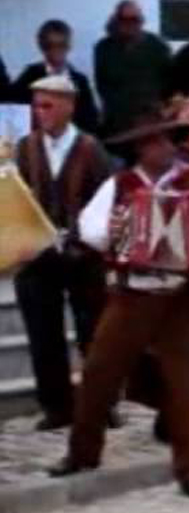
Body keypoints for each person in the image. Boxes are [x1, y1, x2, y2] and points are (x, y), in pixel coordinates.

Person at [49, 110, 189, 499]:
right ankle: (82, 452)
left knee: (185, 382)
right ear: (140, 148)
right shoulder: (120, 185)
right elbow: (90, 229)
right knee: (99, 370)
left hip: (182, 294)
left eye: (169, 140)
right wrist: (116, 230)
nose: (165, 148)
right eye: (156, 141)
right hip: (132, 291)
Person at [12, 76, 114, 431]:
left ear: (69, 105)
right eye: (37, 105)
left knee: (94, 334)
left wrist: (89, 239)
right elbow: (16, 197)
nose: (41, 113)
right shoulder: (25, 147)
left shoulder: (91, 148)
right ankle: (56, 406)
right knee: (43, 335)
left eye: (48, 105)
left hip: (83, 256)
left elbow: (107, 201)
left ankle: (103, 403)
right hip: (38, 255)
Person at [94, 0, 173, 138]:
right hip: (117, 124)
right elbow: (102, 87)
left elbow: (170, 85)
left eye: (134, 19)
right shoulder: (103, 49)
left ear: (141, 21)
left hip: (151, 123)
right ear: (117, 20)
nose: (129, 24)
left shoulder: (158, 47)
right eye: (124, 19)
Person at [12, 20, 100, 134]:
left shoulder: (80, 81)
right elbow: (13, 113)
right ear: (41, 47)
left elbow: (90, 121)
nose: (56, 50)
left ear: (68, 46)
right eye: (49, 45)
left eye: (61, 45)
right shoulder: (29, 76)